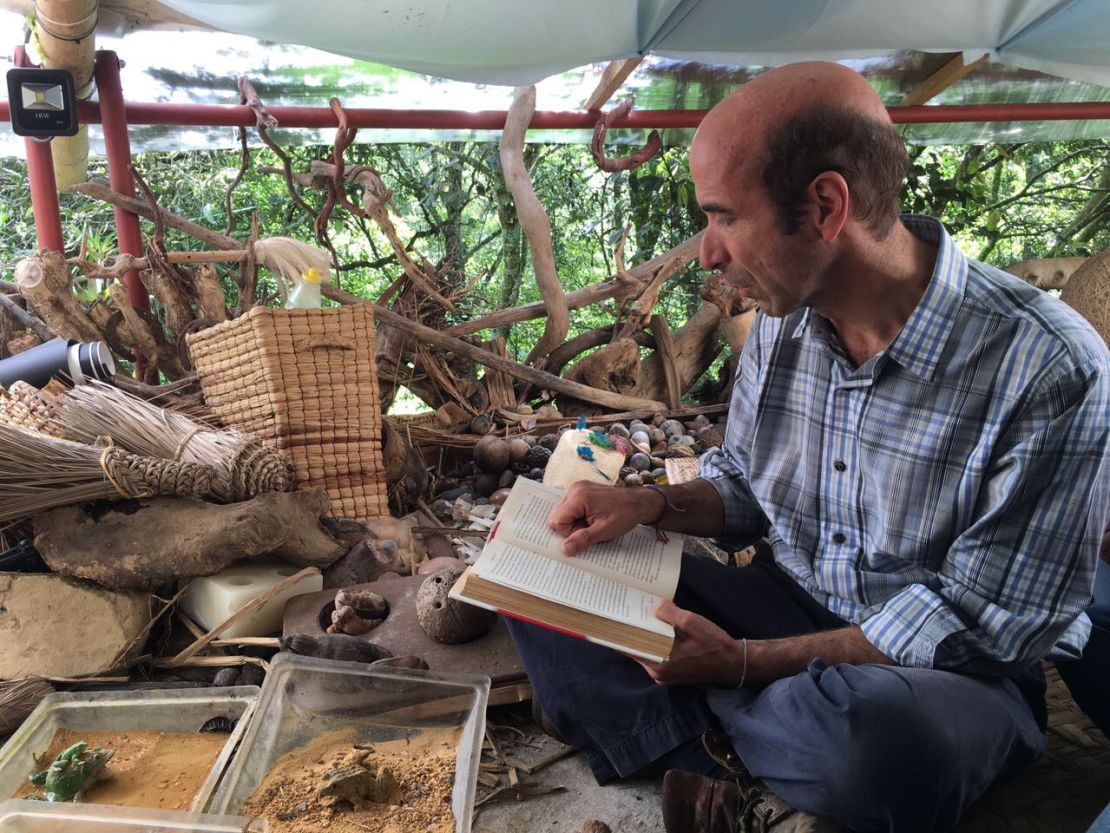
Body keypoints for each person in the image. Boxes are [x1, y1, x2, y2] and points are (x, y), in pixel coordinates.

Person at [505, 61, 1110, 833]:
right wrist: (645, 502)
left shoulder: (1047, 364)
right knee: (544, 572)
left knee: (874, 745)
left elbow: (988, 624)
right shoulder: (785, 324)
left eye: (723, 216)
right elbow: (745, 487)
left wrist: (744, 663)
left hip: (939, 675)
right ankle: (745, 752)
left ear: (826, 206)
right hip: (783, 601)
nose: (706, 253)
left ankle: (699, 731)